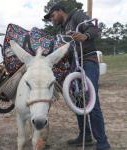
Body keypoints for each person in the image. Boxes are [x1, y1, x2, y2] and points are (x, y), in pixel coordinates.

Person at [44, 4, 111, 150]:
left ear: (60, 11)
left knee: (90, 99)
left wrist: (85, 36)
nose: (52, 20)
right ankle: (85, 136)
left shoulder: (77, 16)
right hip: (74, 64)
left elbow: (94, 29)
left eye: (52, 16)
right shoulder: (62, 29)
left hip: (88, 60)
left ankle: (103, 143)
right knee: (78, 101)